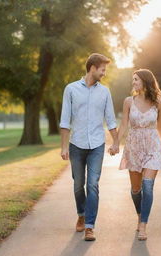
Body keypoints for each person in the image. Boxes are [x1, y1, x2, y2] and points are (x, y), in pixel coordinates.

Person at [59, 53, 119, 241]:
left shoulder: (105, 92)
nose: (104, 73)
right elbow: (64, 119)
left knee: (92, 184)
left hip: (96, 145)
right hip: (76, 144)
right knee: (78, 185)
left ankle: (90, 226)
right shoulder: (71, 89)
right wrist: (63, 147)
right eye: (102, 69)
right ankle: (81, 214)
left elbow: (110, 119)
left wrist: (116, 142)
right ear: (92, 68)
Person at [110, 68, 161, 241]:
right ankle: (140, 214)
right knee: (136, 190)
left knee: (148, 186)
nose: (133, 82)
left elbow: (160, 127)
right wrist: (115, 143)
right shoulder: (129, 101)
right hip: (134, 147)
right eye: (132, 80)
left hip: (153, 147)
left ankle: (143, 225)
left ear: (145, 81)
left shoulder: (159, 102)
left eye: (136, 79)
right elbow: (124, 125)